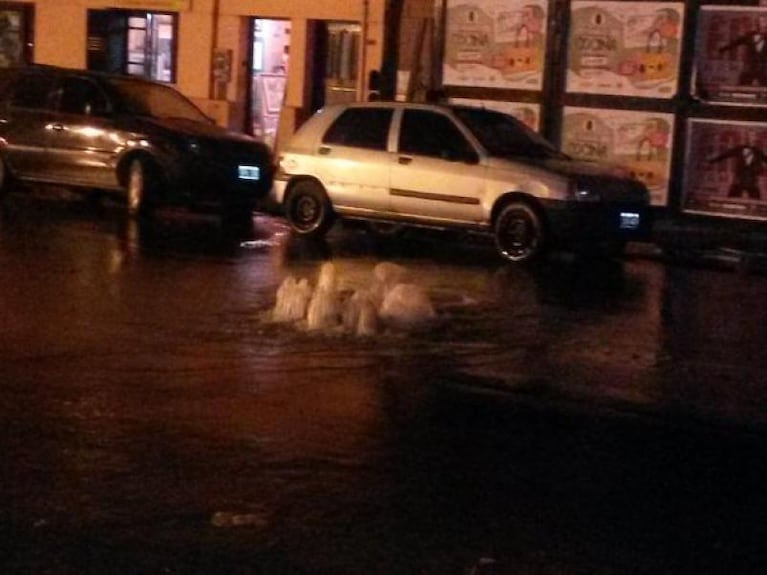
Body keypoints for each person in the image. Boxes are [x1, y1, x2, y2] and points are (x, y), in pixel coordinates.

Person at [719, 16, 767, 87]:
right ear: (758, 25)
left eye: (765, 23)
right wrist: (723, 49)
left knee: (764, 86)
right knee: (742, 85)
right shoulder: (749, 36)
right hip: (750, 67)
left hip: (763, 68)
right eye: (763, 22)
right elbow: (736, 42)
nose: (764, 25)